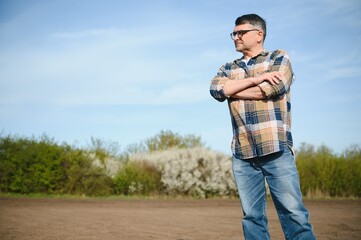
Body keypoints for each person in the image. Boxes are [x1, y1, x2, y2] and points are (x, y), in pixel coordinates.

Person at [209, 14, 316, 240]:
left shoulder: (278, 57)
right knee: (252, 218)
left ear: (259, 35)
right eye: (234, 33)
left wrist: (233, 90)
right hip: (243, 151)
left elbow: (269, 90)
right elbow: (216, 89)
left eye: (241, 33)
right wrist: (257, 79)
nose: (235, 37)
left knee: (293, 214)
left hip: (276, 147)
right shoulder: (228, 67)